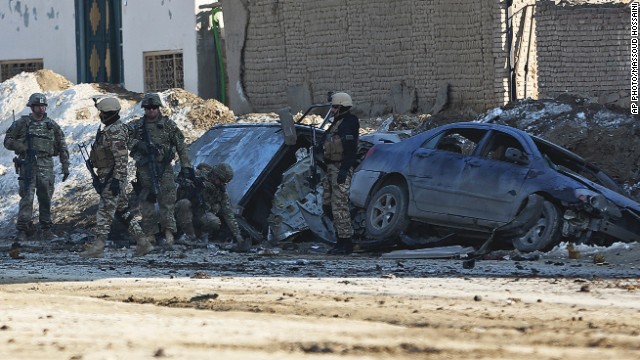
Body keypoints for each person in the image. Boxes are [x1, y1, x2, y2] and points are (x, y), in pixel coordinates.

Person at [80, 96, 155, 258]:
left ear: (108, 114)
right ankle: (143, 243)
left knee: (104, 212)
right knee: (124, 212)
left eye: (101, 112)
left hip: (112, 179)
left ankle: (98, 246)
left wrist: (116, 180)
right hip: (108, 178)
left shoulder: (115, 131)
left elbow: (121, 157)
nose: (100, 115)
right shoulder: (109, 130)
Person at [128, 93, 194, 247]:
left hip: (164, 169)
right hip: (145, 170)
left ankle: (168, 232)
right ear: (144, 109)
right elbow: (125, 139)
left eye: (154, 108)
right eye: (148, 108)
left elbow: (181, 146)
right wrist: (139, 145)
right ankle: (150, 234)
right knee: (147, 202)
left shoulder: (169, 125)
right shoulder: (137, 126)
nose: (151, 111)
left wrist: (186, 166)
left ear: (159, 108)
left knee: (168, 202)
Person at [3, 92, 70, 241]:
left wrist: (65, 166)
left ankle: (46, 229)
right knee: (27, 198)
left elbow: (62, 146)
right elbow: (7, 141)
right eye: (38, 106)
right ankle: (22, 229)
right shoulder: (22, 123)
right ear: (32, 107)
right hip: (27, 165)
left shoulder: (52, 125)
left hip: (46, 165)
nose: (41, 108)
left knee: (45, 197)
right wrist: (21, 146)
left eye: (43, 106)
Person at [175, 162, 251, 252]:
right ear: (214, 175)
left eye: (225, 182)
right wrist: (189, 183)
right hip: (180, 212)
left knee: (214, 221)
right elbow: (175, 176)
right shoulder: (198, 175)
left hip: (199, 214)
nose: (222, 184)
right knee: (185, 203)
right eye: (221, 180)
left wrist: (238, 235)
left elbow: (228, 214)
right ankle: (186, 235)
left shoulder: (221, 192)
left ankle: (198, 237)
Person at [320, 92, 360, 255]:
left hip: (341, 168)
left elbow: (350, 150)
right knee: (327, 205)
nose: (333, 110)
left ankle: (346, 243)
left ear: (343, 107)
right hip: (330, 168)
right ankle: (340, 239)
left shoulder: (349, 123)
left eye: (335, 107)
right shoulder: (336, 123)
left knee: (339, 206)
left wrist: (344, 170)